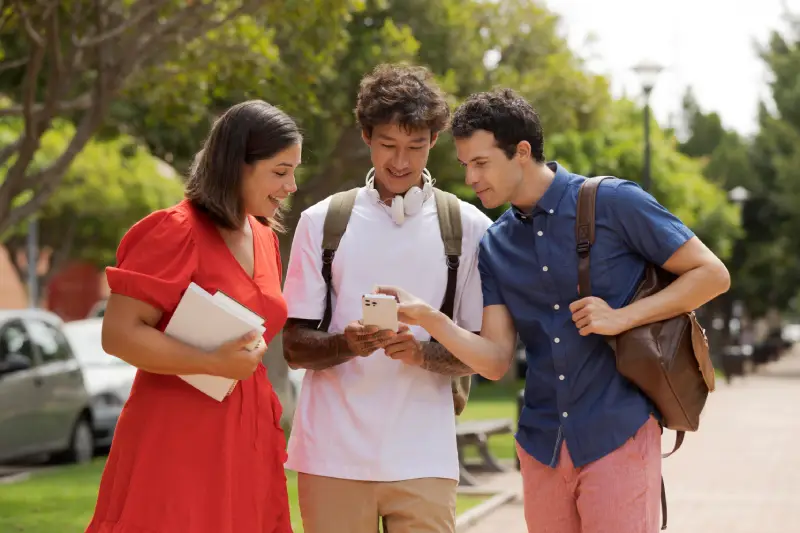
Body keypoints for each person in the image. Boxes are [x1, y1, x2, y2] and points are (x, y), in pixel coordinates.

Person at [375, 89, 731, 533]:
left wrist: (623, 316)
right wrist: (431, 319)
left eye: (481, 163)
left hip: (617, 432)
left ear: (521, 152)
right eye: (465, 164)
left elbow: (712, 274)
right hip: (541, 445)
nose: (470, 177)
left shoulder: (614, 202)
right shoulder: (496, 244)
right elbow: (494, 359)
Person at [280, 63, 493, 533]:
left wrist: (422, 353)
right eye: (388, 145)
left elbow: (481, 352)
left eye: (415, 146)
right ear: (365, 136)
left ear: (434, 141)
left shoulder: (469, 228)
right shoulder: (322, 221)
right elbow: (293, 346)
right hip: (331, 456)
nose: (401, 161)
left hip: (425, 456)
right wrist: (346, 344)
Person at [84, 100, 301, 533]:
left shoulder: (263, 237)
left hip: (247, 432)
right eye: (280, 171)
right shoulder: (174, 231)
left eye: (294, 170)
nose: (291, 185)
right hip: (178, 436)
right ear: (234, 165)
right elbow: (119, 334)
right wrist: (213, 363)